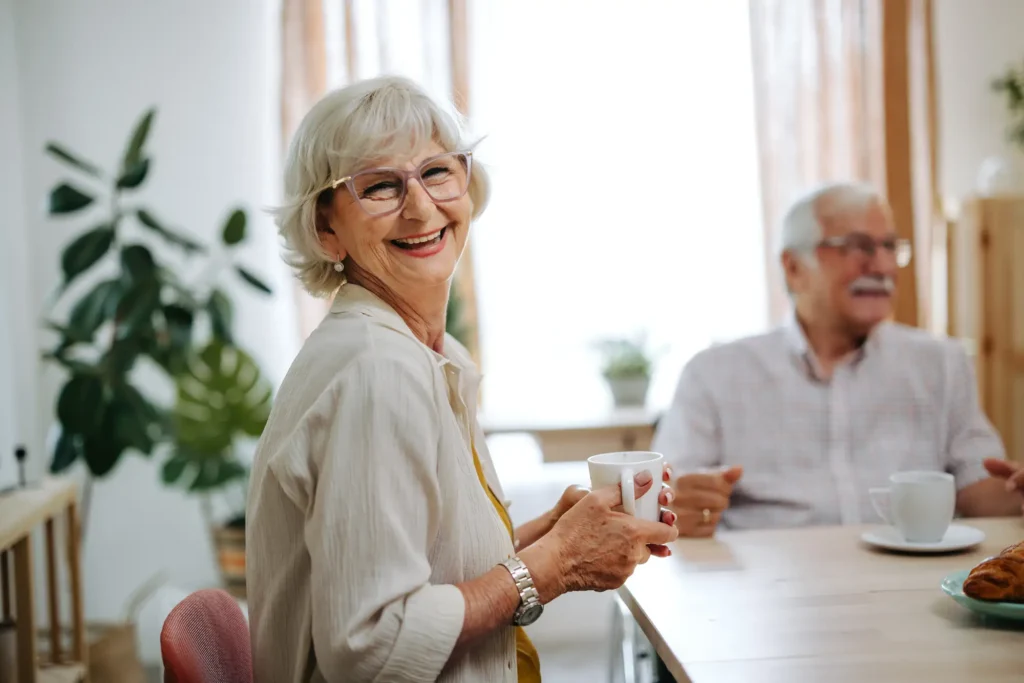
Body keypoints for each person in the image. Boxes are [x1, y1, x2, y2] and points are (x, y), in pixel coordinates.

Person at [245, 75, 679, 683]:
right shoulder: (379, 372)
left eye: (437, 172)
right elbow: (372, 646)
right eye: (379, 187)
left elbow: (428, 574)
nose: (420, 207)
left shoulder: (423, 351)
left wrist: (554, 537)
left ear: (467, 185)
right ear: (326, 230)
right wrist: (552, 566)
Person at [653, 181, 1024, 537]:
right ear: (794, 268)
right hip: (764, 590)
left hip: (908, 585)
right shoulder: (714, 375)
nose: (882, 267)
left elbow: (981, 487)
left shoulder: (942, 364)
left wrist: (1016, 492)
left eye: (890, 246)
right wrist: (677, 506)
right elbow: (664, 500)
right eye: (857, 246)